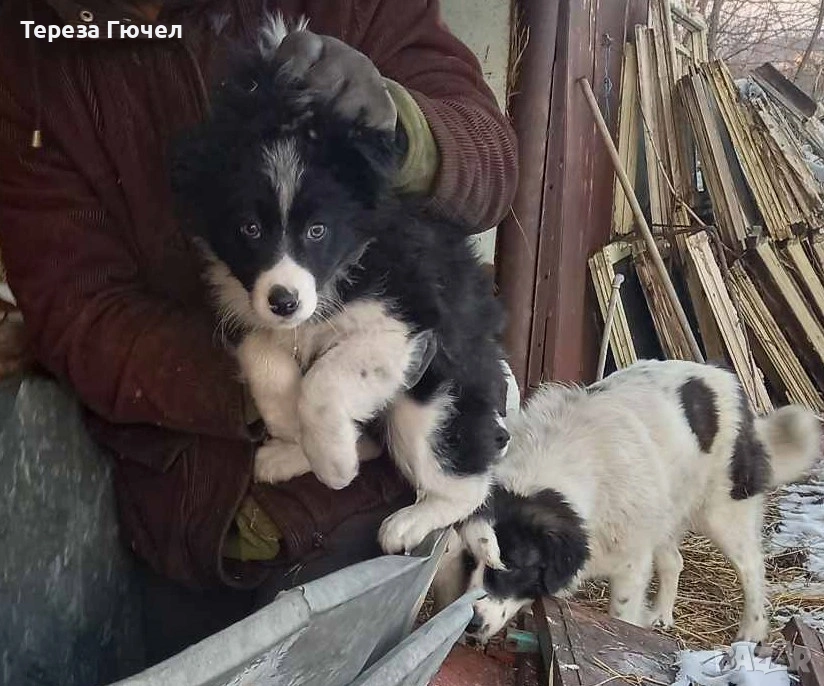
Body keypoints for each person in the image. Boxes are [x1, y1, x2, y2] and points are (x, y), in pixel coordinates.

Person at [0, 0, 518, 662]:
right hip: (184, 505)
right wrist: (262, 383)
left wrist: (404, 126)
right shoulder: (34, 48)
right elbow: (78, 314)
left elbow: (494, 161)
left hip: (374, 494)